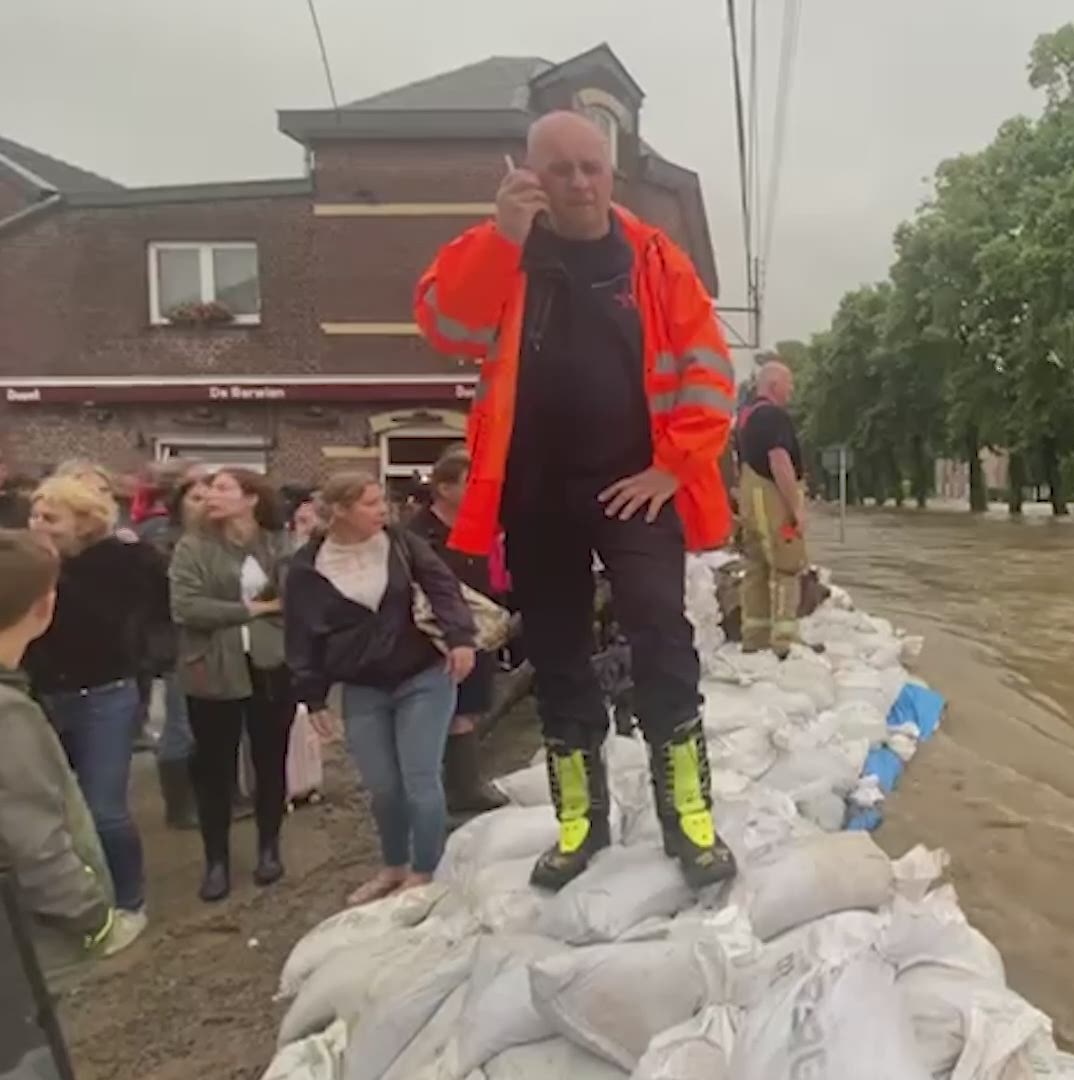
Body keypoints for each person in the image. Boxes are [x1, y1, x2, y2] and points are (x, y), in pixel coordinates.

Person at [414, 109, 739, 891]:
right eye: (560, 169)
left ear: (612, 170)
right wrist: (500, 238)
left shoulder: (655, 260)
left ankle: (688, 818)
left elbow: (706, 370)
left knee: (660, 630)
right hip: (535, 491)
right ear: (531, 174)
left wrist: (673, 468)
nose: (580, 183)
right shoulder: (505, 251)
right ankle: (580, 825)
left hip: (636, 483)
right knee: (558, 655)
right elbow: (443, 325)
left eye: (592, 166)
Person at [285, 473, 477, 904]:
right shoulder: (306, 567)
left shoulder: (402, 543)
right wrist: (312, 695)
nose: (382, 511)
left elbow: (443, 588)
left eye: (380, 502)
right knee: (382, 785)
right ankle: (394, 865)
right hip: (363, 685)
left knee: (419, 778)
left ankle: (426, 870)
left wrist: (461, 638)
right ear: (340, 512)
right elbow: (300, 635)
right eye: (370, 504)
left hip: (423, 674)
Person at [0, 530, 144, 989]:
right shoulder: (8, 715)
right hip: (25, 948)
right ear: (44, 609)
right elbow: (32, 843)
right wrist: (94, 920)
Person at [22, 476, 168, 922]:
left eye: (51, 518)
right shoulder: (30, 562)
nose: (37, 524)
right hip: (46, 696)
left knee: (104, 808)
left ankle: (129, 901)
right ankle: (78, 894)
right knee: (57, 808)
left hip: (105, 694)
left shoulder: (118, 564)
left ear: (84, 523)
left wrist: (53, 572)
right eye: (34, 515)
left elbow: (98, 622)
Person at [169, 468, 295, 902]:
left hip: (272, 664)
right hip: (211, 669)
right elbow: (186, 608)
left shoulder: (280, 544)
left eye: (222, 489)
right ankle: (216, 862)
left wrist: (267, 608)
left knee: (270, 761)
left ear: (252, 498)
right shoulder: (193, 546)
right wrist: (255, 610)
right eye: (206, 490)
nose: (209, 496)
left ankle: (269, 847)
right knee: (214, 770)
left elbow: (296, 599)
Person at [407, 448, 508, 815]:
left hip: (479, 629)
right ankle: (437, 791)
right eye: (471, 482)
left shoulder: (482, 524)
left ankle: (466, 787)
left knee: (470, 708)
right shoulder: (416, 535)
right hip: (435, 635)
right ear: (445, 488)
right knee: (440, 712)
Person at [141, 465, 210, 830]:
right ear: (179, 503)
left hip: (215, 642)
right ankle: (179, 808)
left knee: (207, 724)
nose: (203, 505)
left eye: (207, 498)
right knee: (180, 724)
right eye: (195, 498)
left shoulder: (220, 538)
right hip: (176, 642)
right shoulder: (160, 540)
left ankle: (211, 793)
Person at [734, 361, 810, 657]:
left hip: (751, 501)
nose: (791, 390)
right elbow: (779, 461)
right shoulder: (773, 416)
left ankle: (754, 637)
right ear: (774, 385)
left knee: (756, 567)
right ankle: (784, 641)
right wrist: (797, 508)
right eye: (789, 384)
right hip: (772, 501)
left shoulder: (745, 416)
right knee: (786, 566)